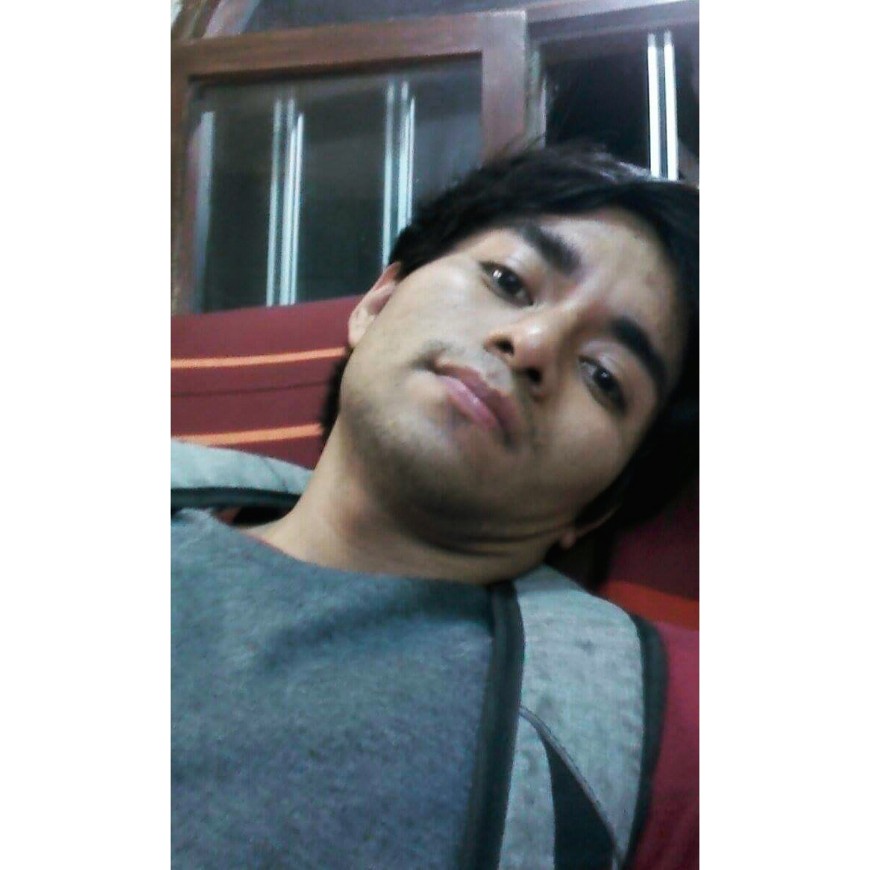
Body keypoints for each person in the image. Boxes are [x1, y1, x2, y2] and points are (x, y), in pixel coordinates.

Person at [172, 144, 699, 868]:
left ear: (596, 509)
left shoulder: (652, 743)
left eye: (604, 376)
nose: (532, 343)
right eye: (508, 281)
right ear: (377, 303)